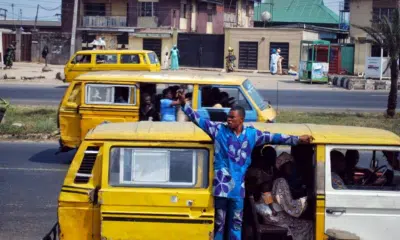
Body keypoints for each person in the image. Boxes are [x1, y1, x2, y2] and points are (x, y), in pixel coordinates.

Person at [177, 92, 313, 240]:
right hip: (221, 189)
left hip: (238, 190)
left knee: (236, 224)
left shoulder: (252, 135)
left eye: (231, 117)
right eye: (228, 117)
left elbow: (276, 137)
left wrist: (298, 139)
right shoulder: (218, 131)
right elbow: (199, 120)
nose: (228, 120)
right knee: (219, 224)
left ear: (241, 120)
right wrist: (184, 105)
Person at [258, 152, 313, 240]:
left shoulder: (279, 180)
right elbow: (288, 205)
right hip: (275, 217)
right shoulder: (281, 181)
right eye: (289, 165)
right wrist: (305, 200)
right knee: (309, 224)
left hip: (273, 215)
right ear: (282, 167)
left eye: (292, 165)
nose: (292, 168)